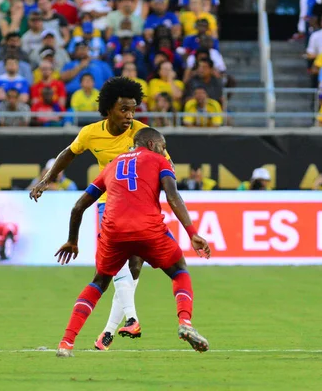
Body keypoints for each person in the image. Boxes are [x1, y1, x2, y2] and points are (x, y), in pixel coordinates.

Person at [29, 77, 172, 351]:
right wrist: (47, 179)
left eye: (133, 109)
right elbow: (68, 154)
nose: (130, 116)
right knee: (115, 267)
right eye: (123, 110)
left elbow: (167, 164)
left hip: (143, 205)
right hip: (111, 203)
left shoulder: (143, 134)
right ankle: (132, 318)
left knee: (134, 268)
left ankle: (107, 331)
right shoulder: (91, 133)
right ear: (108, 109)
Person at [54, 127, 211, 358]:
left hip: (113, 232)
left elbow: (79, 206)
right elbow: (173, 195)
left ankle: (66, 343)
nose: (164, 151)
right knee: (179, 271)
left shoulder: (112, 165)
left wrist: (72, 240)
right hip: (148, 229)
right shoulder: (159, 161)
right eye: (163, 146)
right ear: (151, 144)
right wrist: (192, 232)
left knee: (98, 283)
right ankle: (185, 321)